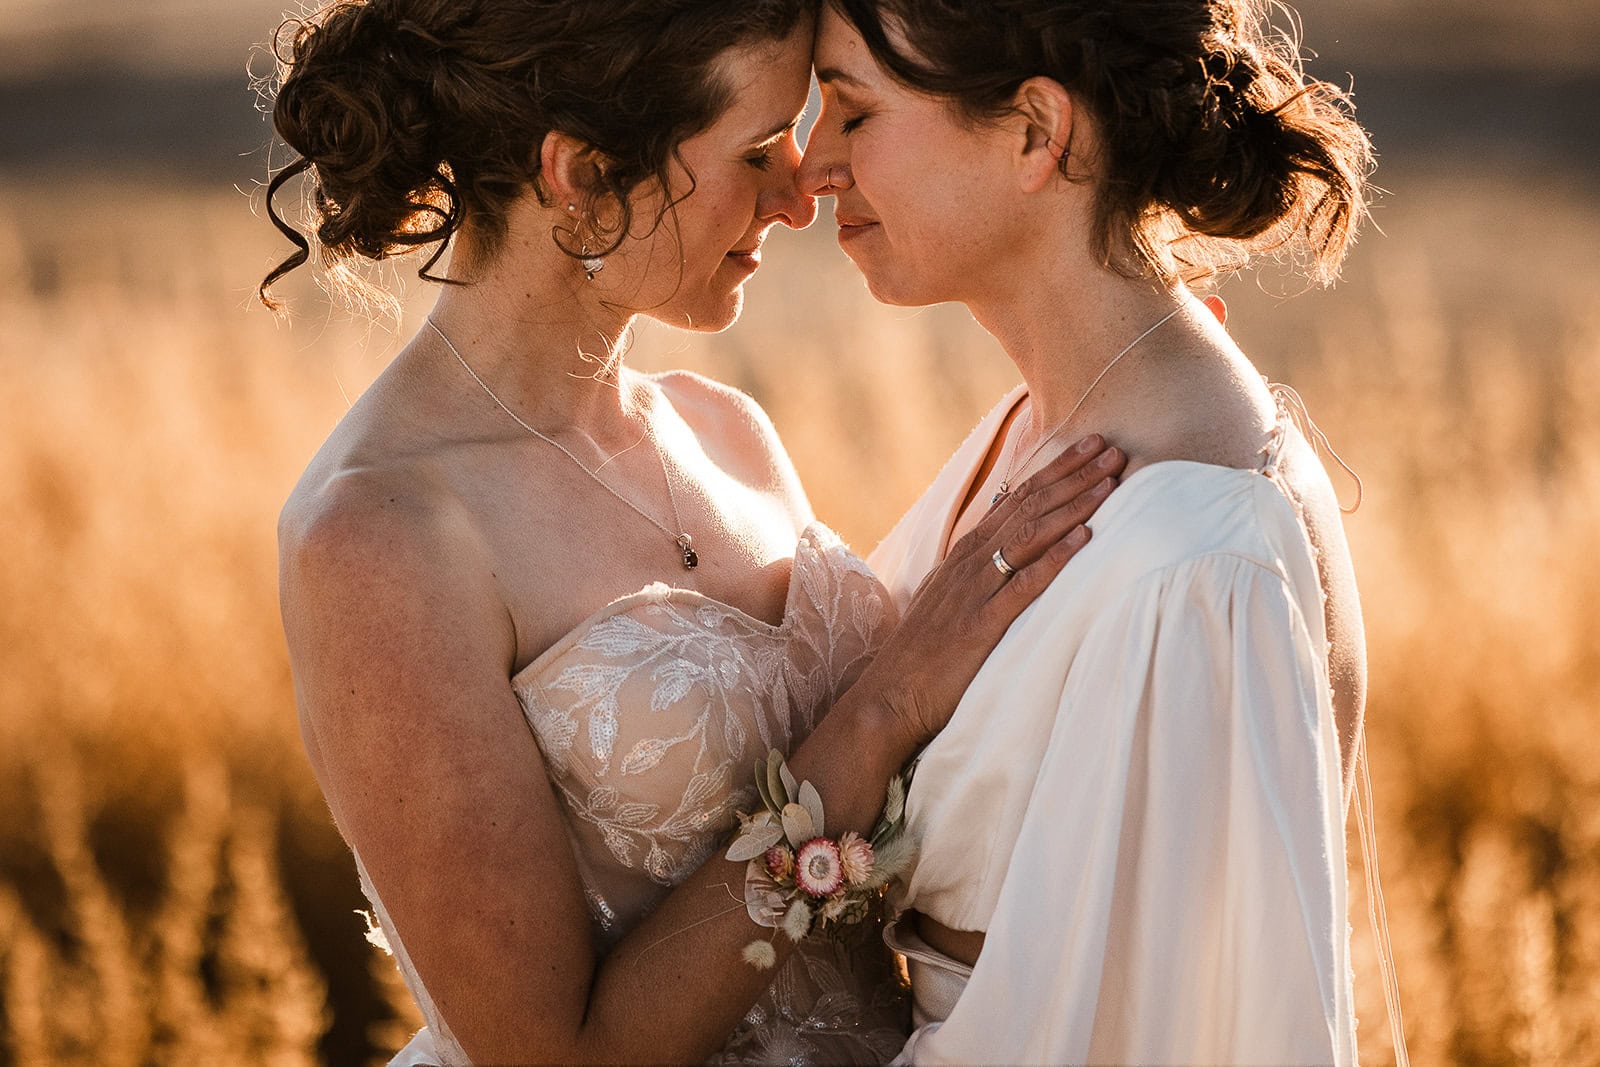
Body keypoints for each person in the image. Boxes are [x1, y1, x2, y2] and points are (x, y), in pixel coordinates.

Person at [263, 1, 1122, 1064]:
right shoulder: (379, 533)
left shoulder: (727, 429)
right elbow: (556, 1055)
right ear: (581, 174)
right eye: (758, 150)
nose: (801, 192)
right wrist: (885, 707)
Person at [800, 0, 1389, 1063]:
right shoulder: (1050, 428)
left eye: (853, 112)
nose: (811, 166)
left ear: (1036, 132)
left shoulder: (1197, 554)